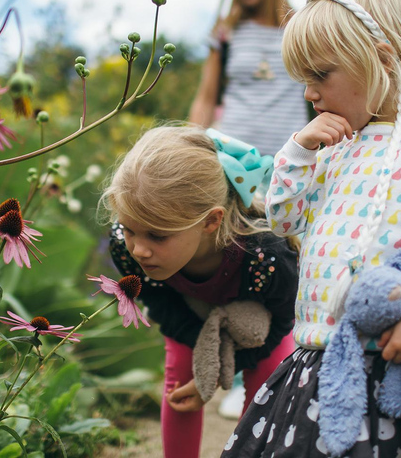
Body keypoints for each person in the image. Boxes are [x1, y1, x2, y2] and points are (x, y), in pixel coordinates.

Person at [221, 0, 401, 457]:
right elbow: (285, 222)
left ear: (382, 58)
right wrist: (296, 154)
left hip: (398, 366)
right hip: (318, 363)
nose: (309, 94)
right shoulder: (332, 151)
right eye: (303, 80)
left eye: (320, 75)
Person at [101, 125, 299, 458]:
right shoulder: (127, 245)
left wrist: (224, 365)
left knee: (269, 389)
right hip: (189, 312)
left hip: (261, 322)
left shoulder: (268, 256)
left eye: (157, 236)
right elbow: (160, 302)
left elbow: (283, 318)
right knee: (180, 385)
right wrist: (201, 367)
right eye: (130, 228)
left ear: (211, 221)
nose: (139, 250)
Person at [188, 0, 309, 158]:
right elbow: (205, 99)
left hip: (291, 160)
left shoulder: (301, 29)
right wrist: (189, 149)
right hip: (232, 160)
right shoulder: (225, 32)